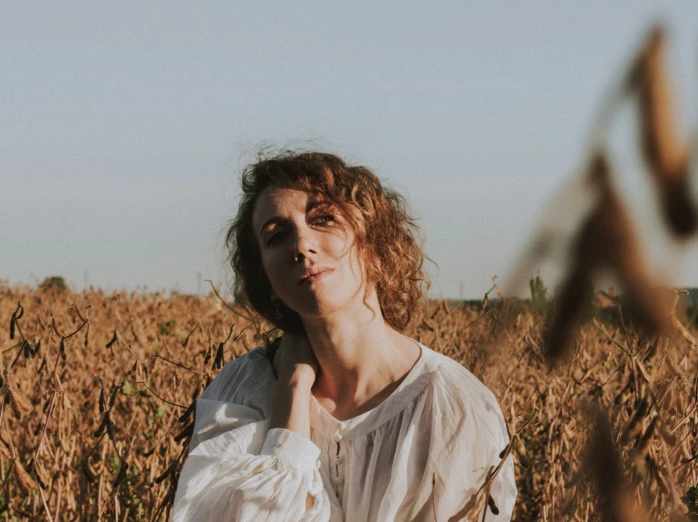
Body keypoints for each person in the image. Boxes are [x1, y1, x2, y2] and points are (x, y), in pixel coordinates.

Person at [170, 151, 516, 521]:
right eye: (277, 237)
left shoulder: (454, 407)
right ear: (265, 278)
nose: (302, 246)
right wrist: (292, 394)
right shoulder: (243, 391)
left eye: (323, 219)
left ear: (372, 242)